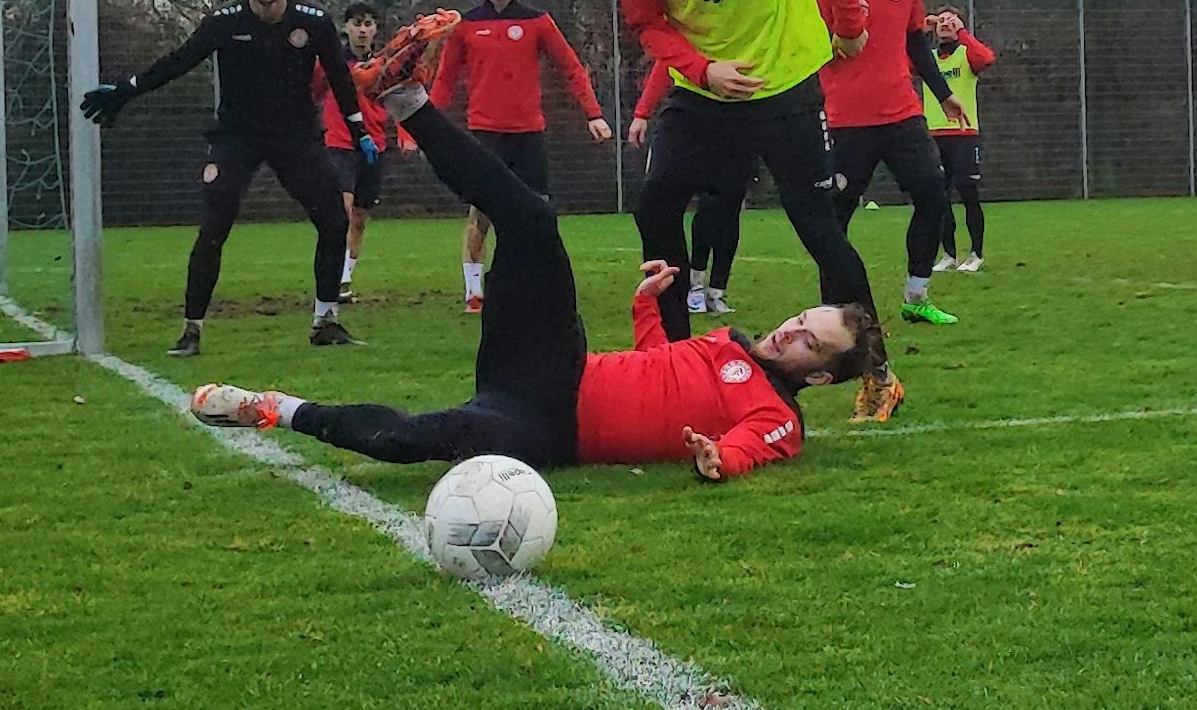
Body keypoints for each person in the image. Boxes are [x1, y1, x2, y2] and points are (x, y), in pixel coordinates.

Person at [189, 44, 884, 480]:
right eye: (801, 317)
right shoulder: (728, 342)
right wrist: (649, 302)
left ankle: (276, 407)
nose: (791, 328)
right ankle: (404, 98)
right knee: (532, 219)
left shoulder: (778, 417)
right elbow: (659, 364)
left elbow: (747, 448)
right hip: (557, 362)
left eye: (809, 340)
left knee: (428, 436)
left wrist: (715, 458)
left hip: (550, 429)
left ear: (818, 373)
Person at [600, 0, 901, 423]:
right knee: (657, 205)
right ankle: (677, 367)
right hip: (703, 89)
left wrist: (849, 22)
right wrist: (702, 69)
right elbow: (647, 23)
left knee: (816, 223)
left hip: (786, 82)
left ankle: (877, 372)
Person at [80, 0, 374, 356]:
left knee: (333, 220)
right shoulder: (225, 21)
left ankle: (325, 322)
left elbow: (341, 79)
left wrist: (359, 129)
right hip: (237, 136)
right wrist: (128, 90)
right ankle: (191, 331)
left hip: (296, 137)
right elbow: (180, 60)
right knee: (216, 222)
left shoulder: (314, 22)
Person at [431, 0, 614, 313]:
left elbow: (572, 68)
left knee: (539, 213)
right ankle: (473, 291)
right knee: (481, 212)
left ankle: (541, 286)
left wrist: (594, 114)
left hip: (528, 133)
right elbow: (445, 78)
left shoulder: (537, 21)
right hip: (485, 133)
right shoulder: (465, 25)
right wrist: (423, 129)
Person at [821, 0, 968, 328]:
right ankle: (835, 310)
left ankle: (916, 296)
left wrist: (942, 94)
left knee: (933, 196)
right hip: (847, 120)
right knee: (835, 216)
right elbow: (810, 48)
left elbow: (915, 45)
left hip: (902, 114)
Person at [628, 58, 751, 316]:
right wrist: (642, 113)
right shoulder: (688, 37)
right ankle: (690, 288)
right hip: (692, 118)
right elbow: (666, 64)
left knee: (726, 210)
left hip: (739, 122)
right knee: (661, 206)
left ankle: (716, 290)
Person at [313, 2, 411, 304]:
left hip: (374, 145)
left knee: (359, 218)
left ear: (376, 29)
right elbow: (314, 90)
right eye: (356, 24)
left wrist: (406, 137)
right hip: (339, 142)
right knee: (341, 208)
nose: (362, 30)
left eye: (368, 24)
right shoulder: (329, 62)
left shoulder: (384, 64)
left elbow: (399, 100)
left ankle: (345, 276)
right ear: (346, 28)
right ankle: (335, 279)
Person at [924, 6, 996, 273]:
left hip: (964, 135)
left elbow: (986, 58)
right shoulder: (928, 58)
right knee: (939, 197)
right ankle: (949, 254)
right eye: (940, 21)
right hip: (934, 135)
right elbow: (902, 56)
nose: (944, 25)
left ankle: (976, 253)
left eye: (949, 21)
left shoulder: (967, 54)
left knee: (968, 193)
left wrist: (962, 31)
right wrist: (923, 28)